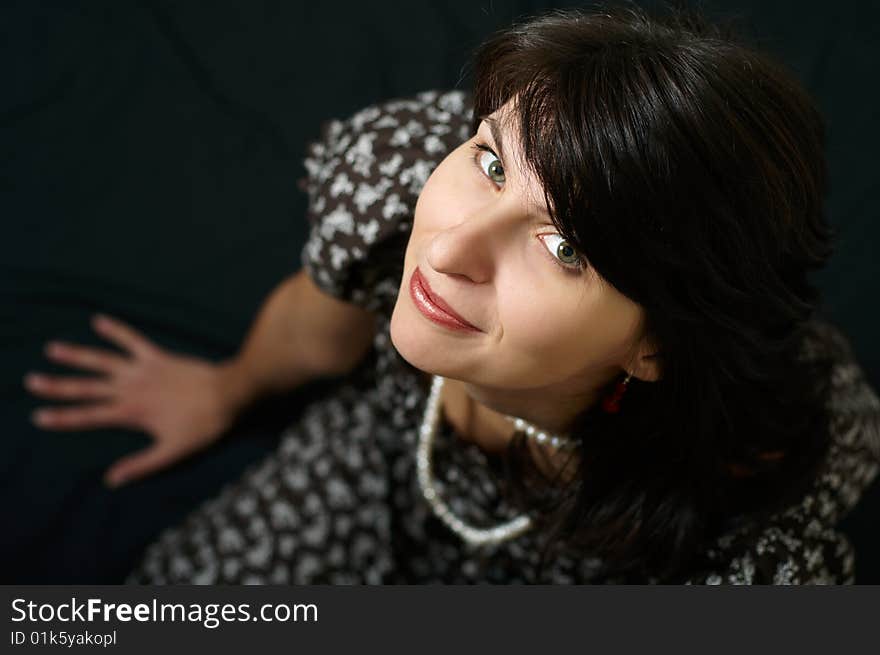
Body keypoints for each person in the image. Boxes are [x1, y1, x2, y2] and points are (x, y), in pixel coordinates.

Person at [23, 5, 880, 583]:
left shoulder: (758, 529)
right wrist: (227, 387)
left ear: (655, 342)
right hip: (382, 454)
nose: (449, 246)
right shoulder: (399, 178)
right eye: (493, 161)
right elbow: (317, 332)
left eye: (565, 246)